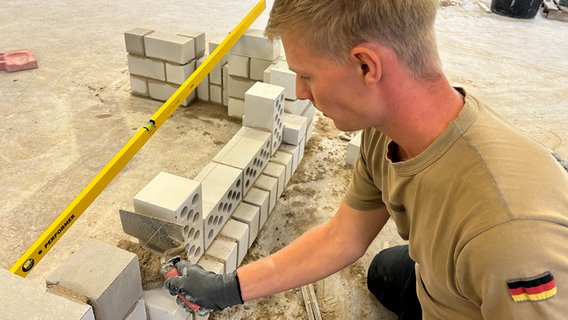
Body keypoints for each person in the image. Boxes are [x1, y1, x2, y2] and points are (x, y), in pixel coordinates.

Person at [165, 0, 568, 319]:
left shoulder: (508, 236)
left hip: (496, 288)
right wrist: (226, 288)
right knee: (385, 272)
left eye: (307, 75)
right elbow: (343, 236)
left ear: (365, 64)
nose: (301, 93)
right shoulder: (384, 129)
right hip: (454, 280)